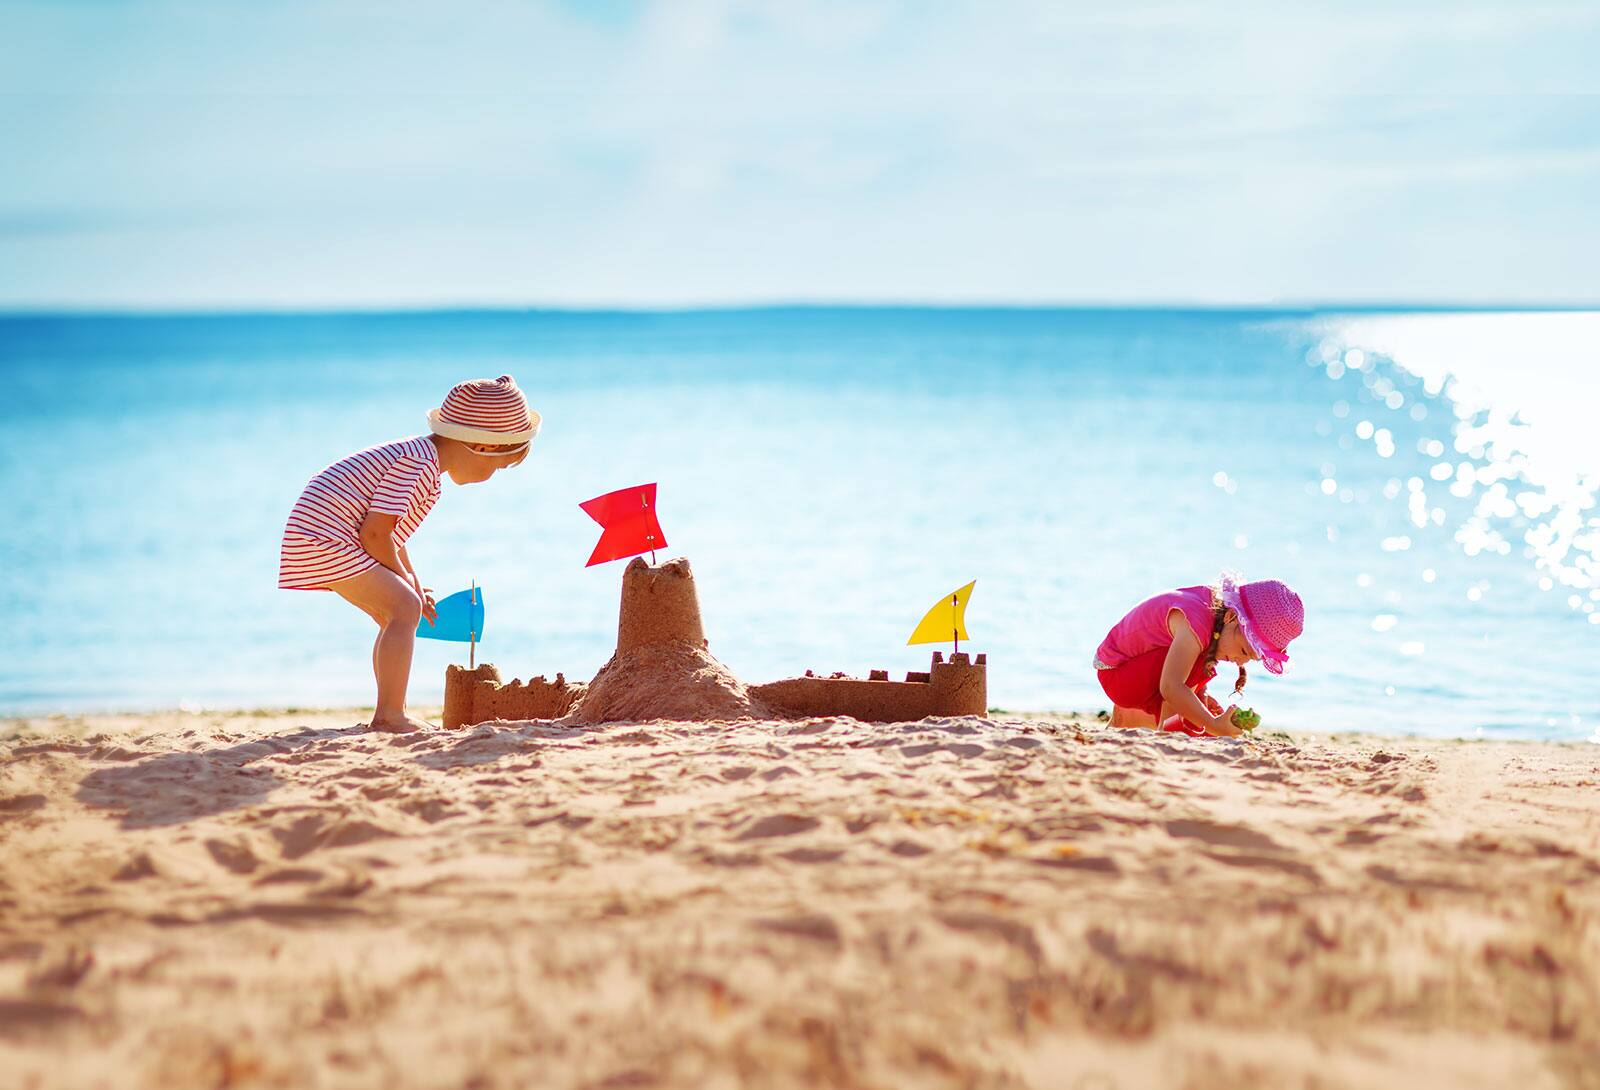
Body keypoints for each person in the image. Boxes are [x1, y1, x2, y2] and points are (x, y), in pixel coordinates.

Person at [279, 375, 538, 732]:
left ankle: (389, 710)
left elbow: (392, 536)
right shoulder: (418, 467)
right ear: (482, 447)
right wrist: (406, 586)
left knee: (397, 612)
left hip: (326, 534)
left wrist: (412, 580)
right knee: (403, 608)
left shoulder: (421, 460)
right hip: (326, 537)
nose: (491, 476)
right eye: (495, 467)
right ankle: (390, 715)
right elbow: (374, 533)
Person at [1094, 574, 1303, 737]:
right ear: (1231, 617)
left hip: (1132, 670)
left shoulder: (1212, 617)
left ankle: (1147, 724)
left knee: (1197, 701)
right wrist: (1212, 724)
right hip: (1117, 672)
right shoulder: (1196, 623)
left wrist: (1199, 704)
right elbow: (1171, 686)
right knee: (1191, 679)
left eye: (1250, 659)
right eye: (1243, 651)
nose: (1240, 661)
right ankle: (1168, 732)